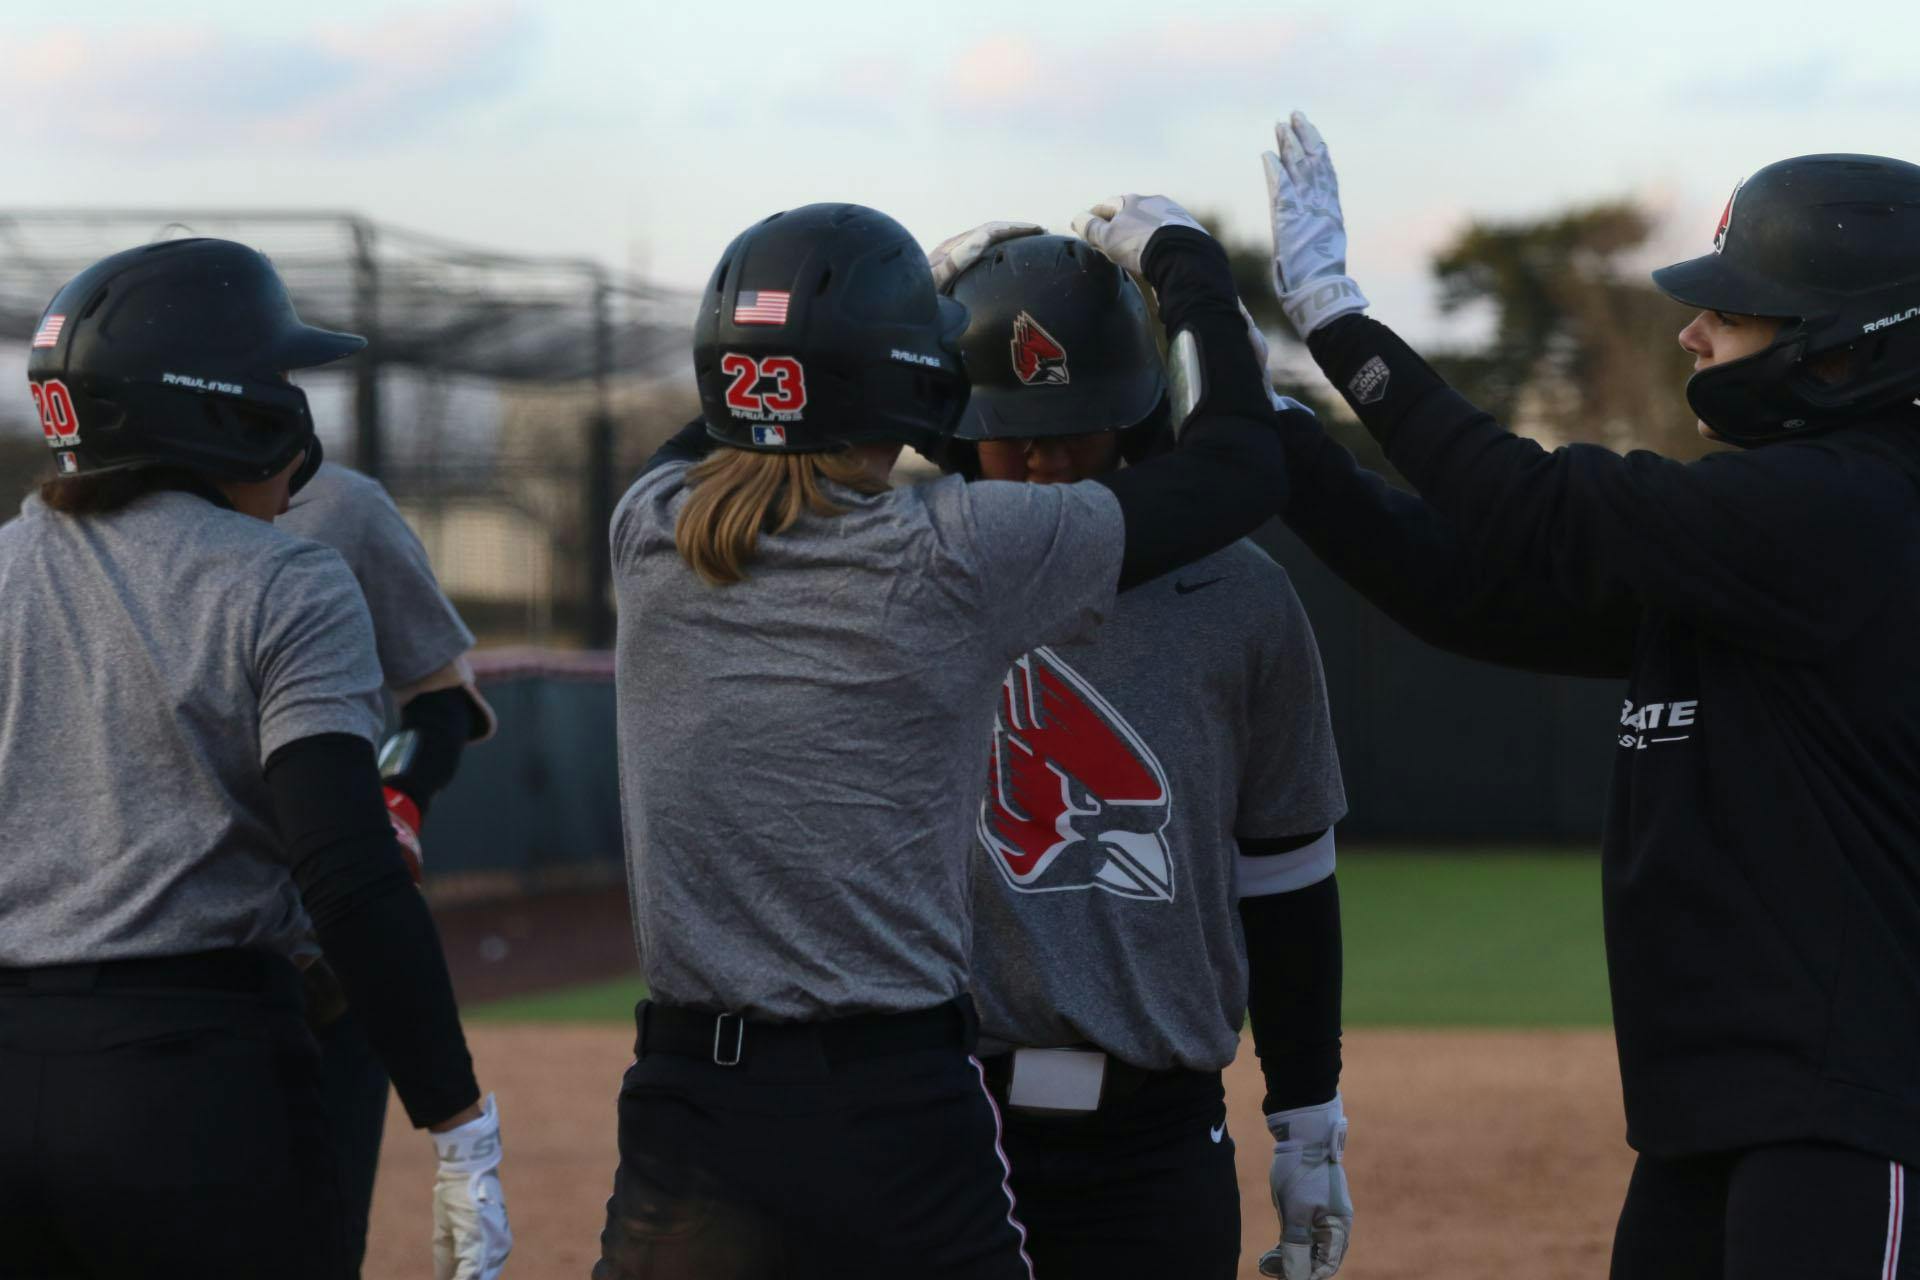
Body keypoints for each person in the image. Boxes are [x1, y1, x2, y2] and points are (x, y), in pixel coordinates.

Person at [1260, 114, 1920, 1278]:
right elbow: (1473, 586)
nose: (1693, 328)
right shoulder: (1769, 539)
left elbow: (1539, 504)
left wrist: (1340, 327)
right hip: (1707, 1116)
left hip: (1846, 1119)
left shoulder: (1850, 510)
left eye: (1736, 305)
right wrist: (1282, 444)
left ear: (1843, 343)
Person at [596, 195, 1294, 1279]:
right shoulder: (956, 554)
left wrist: (876, 334)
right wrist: (1186, 267)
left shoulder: (647, 533)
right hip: (895, 1112)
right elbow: (1241, 467)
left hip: (691, 1118)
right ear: (907, 384)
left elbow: (726, 430)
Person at [0, 238, 510, 1280]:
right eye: (273, 379)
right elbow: (349, 875)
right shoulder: (286, 576)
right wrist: (455, 1115)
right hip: (195, 1079)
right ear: (213, 403)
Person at [924, 227, 1352, 1280]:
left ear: (1136, 415)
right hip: (933, 1119)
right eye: (1009, 428)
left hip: (1154, 1139)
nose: (1041, 454)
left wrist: (1308, 1122)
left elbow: (1287, 868)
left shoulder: (1238, 592)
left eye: (1075, 426)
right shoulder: (905, 569)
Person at [277, 460, 499, 1276]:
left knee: (318, 1241)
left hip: (322, 940)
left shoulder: (340, 507)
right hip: (172, 959)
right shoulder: (55, 540)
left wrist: (399, 800)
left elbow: (440, 699)